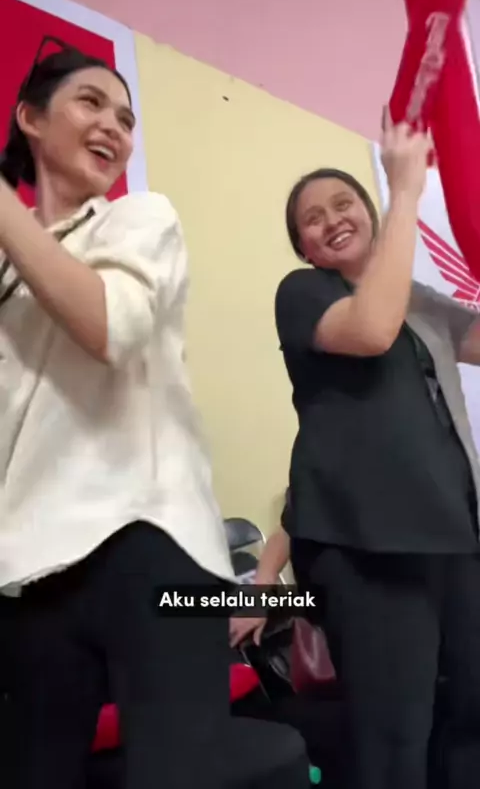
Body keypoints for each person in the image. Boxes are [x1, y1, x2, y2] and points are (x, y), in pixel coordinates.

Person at [0, 41, 234, 789]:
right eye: (91, 102)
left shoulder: (140, 217)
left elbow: (112, 326)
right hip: (31, 569)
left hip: (156, 543)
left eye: (126, 118)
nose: (114, 127)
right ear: (31, 118)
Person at [274, 114, 480, 789]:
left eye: (344, 203)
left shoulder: (420, 304)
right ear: (304, 248)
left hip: (456, 539)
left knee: (469, 714)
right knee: (395, 735)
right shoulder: (304, 293)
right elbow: (370, 329)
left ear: (367, 211)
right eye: (312, 219)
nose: (332, 220)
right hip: (368, 548)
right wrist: (406, 193)